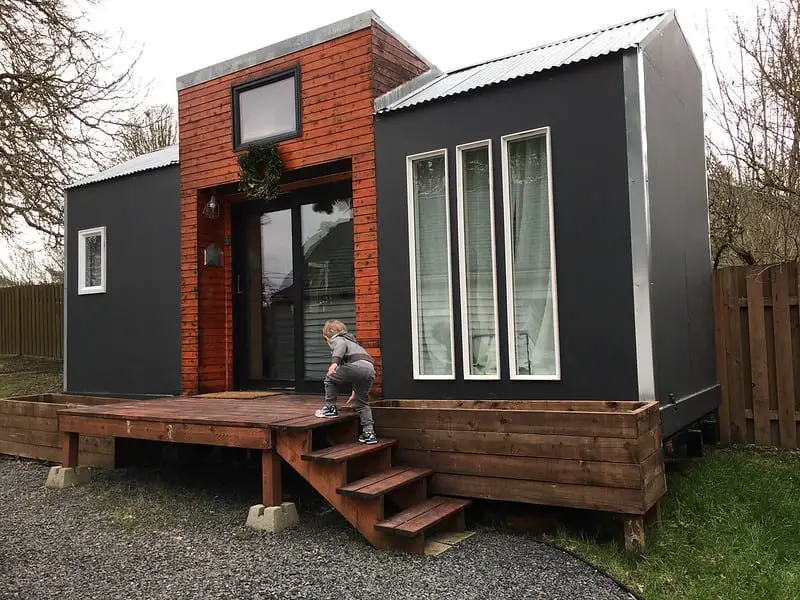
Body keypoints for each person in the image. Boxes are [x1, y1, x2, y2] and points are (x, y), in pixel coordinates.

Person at [315, 319, 377, 444]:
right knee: (362, 403)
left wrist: (334, 363)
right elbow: (359, 369)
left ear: (326, 337)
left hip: (357, 366)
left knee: (329, 378)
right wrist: (355, 390)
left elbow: (340, 348)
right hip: (370, 369)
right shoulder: (352, 342)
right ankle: (369, 433)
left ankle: (330, 408)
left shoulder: (338, 339)